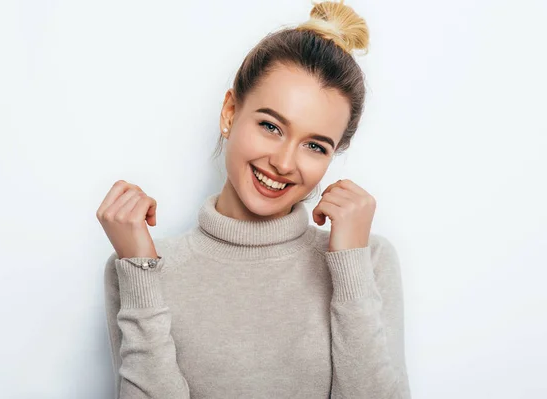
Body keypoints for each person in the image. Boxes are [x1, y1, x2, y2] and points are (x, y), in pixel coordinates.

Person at [97, 1, 411, 398]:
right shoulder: (138, 265)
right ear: (230, 112)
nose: (283, 163)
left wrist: (350, 264)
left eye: (315, 146)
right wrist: (141, 269)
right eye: (270, 126)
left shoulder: (368, 261)